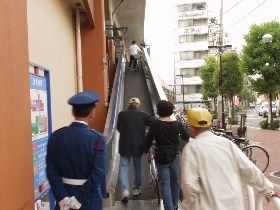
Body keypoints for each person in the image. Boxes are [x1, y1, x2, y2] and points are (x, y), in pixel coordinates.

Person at [181, 108, 279, 210]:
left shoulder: (191, 149)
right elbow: (248, 169)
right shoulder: (226, 143)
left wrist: (187, 205)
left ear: (191, 127)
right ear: (210, 125)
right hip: (234, 205)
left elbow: (189, 185)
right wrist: (268, 190)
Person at [46, 91, 106, 210]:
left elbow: (51, 169)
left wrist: (62, 198)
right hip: (89, 199)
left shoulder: (56, 136)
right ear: (92, 113)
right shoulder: (97, 139)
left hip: (63, 198)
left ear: (72, 112)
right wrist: (78, 199)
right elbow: (97, 173)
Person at [144, 100, 190, 210]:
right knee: (175, 182)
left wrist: (145, 150)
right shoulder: (177, 124)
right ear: (171, 111)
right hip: (175, 154)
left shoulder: (155, 124)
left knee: (165, 183)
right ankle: (174, 205)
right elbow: (186, 137)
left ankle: (169, 208)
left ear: (159, 111)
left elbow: (149, 139)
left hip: (161, 155)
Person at [117, 97, 156, 202]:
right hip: (138, 145)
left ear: (129, 105)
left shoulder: (122, 114)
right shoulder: (143, 115)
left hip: (124, 145)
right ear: (138, 105)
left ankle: (125, 189)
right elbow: (155, 122)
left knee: (124, 167)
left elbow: (118, 127)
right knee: (137, 167)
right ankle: (136, 188)